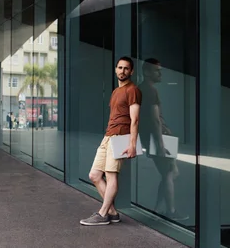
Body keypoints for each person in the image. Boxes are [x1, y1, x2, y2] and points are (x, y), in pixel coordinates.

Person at [80, 56, 142, 226]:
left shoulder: (133, 90)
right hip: (108, 136)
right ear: (116, 69)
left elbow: (135, 119)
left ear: (132, 71)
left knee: (111, 175)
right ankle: (112, 213)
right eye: (120, 68)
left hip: (121, 136)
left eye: (126, 68)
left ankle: (102, 213)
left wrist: (132, 144)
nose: (122, 71)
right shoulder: (116, 92)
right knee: (94, 175)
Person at [138, 58, 187, 221]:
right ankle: (170, 211)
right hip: (158, 138)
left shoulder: (141, 89)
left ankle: (158, 209)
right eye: (156, 70)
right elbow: (155, 120)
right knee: (169, 172)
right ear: (146, 72)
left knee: (170, 172)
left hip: (152, 137)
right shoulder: (151, 91)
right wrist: (160, 144)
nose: (160, 73)